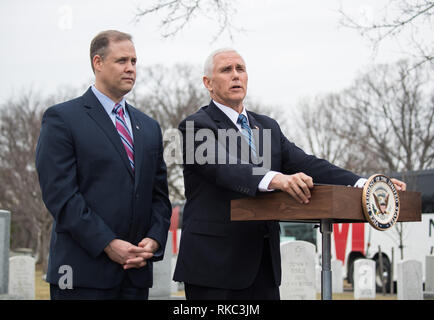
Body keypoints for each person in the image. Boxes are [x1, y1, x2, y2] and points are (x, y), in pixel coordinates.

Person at [172, 48, 406, 300]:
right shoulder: (195, 126)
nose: (236, 75)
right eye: (226, 70)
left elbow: (308, 164)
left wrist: (363, 183)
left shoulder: (267, 126)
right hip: (214, 267)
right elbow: (224, 168)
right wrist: (276, 179)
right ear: (208, 82)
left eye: (241, 69)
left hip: (264, 269)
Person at [35, 30, 171, 300]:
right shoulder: (62, 119)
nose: (131, 68)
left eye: (134, 61)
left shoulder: (149, 127)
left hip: (135, 276)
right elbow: (60, 196)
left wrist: (153, 241)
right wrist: (107, 244)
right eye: (122, 61)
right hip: (81, 276)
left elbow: (159, 196)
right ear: (98, 63)